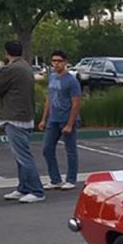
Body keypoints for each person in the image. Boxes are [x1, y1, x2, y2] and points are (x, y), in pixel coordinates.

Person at [0, 41, 42, 202]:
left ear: (7, 53)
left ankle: (37, 191)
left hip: (14, 117)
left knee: (23, 156)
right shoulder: (26, 66)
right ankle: (23, 188)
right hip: (24, 115)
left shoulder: (10, 69)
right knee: (20, 156)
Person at [39, 49, 82, 189]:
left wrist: (70, 123)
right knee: (47, 148)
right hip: (53, 119)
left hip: (66, 118)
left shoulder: (71, 81)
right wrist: (44, 119)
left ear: (65, 63)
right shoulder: (52, 77)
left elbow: (76, 103)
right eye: (54, 61)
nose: (56, 64)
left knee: (70, 150)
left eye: (59, 61)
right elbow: (49, 99)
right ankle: (55, 179)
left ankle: (71, 179)